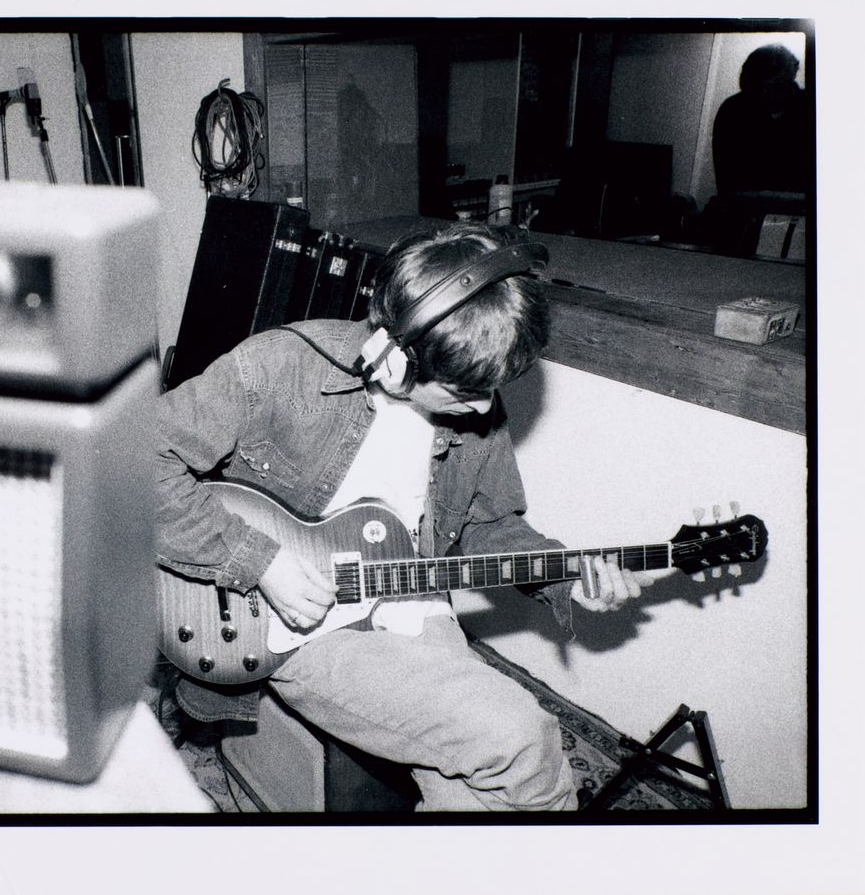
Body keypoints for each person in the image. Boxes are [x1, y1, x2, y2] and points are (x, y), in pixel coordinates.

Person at [155, 222, 655, 811]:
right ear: (393, 359)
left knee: (474, 790)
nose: (486, 408)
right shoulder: (279, 366)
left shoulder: (476, 410)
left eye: (492, 389)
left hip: (410, 598)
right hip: (295, 622)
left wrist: (567, 575)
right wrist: (262, 563)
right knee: (521, 738)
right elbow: (131, 462)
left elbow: (488, 527)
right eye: (464, 391)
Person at [712, 44, 810, 197]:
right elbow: (726, 179)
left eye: (776, 88)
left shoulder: (811, 108)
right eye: (759, 90)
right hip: (744, 207)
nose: (767, 95)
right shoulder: (733, 110)